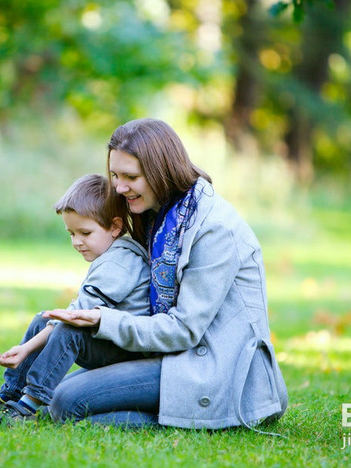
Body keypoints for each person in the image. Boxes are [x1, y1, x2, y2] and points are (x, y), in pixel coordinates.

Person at [45, 118, 288, 429]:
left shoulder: (213, 229)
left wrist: (105, 319)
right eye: (115, 175)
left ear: (161, 170)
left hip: (212, 369)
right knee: (58, 396)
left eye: (130, 177)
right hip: (170, 357)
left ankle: (181, 418)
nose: (119, 188)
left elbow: (184, 330)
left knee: (68, 403)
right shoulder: (162, 215)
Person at [0, 174, 151, 424]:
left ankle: (27, 407)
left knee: (68, 330)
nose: (77, 242)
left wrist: (27, 348)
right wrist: (29, 344)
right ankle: (10, 394)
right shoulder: (111, 256)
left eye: (85, 232)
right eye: (71, 233)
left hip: (127, 350)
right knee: (44, 319)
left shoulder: (120, 262)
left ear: (115, 227)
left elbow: (76, 317)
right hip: (108, 339)